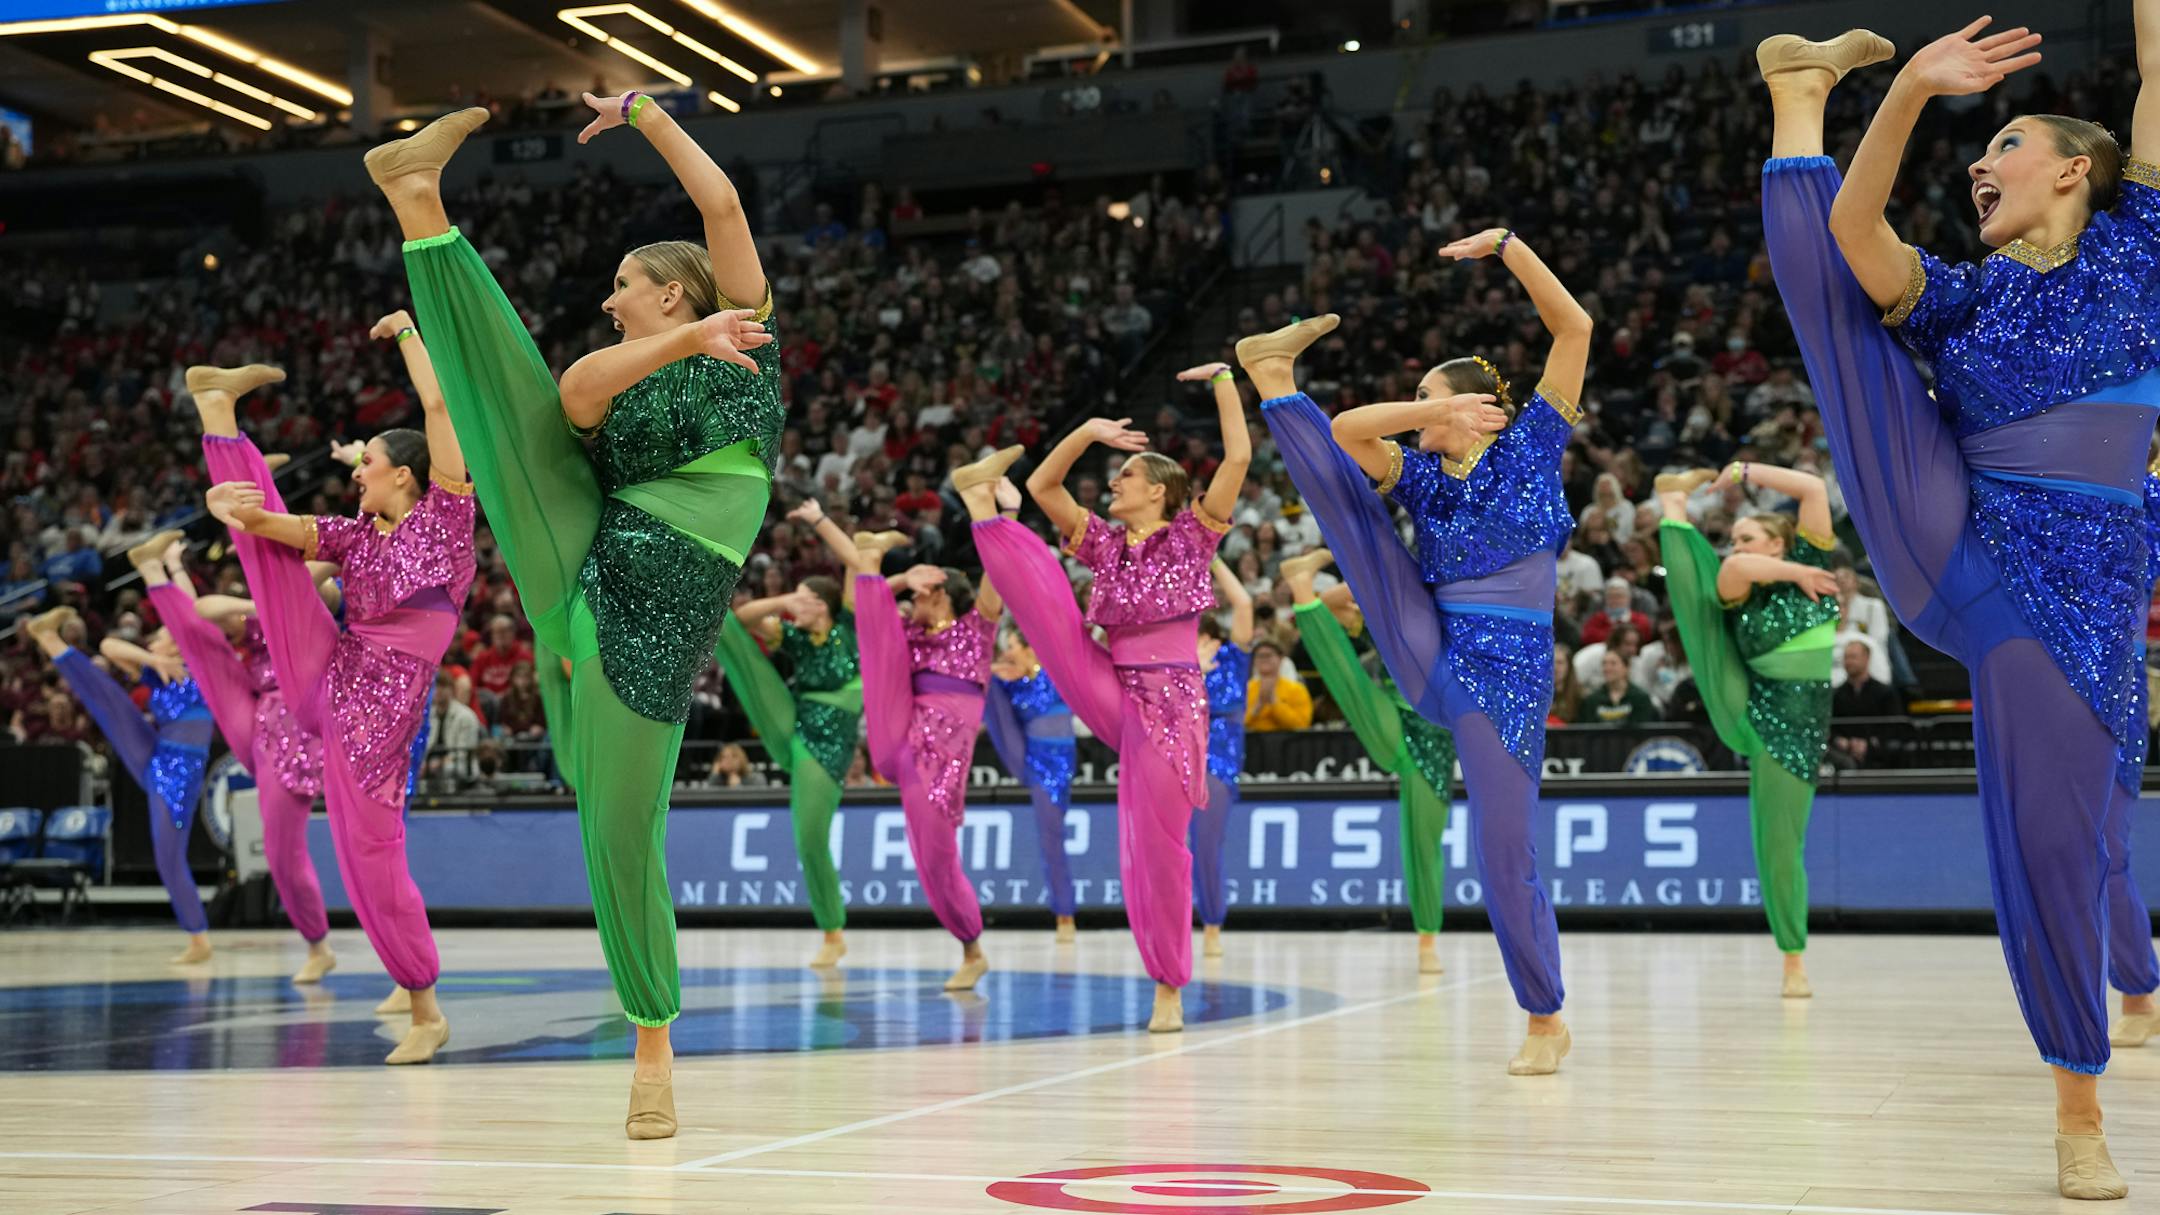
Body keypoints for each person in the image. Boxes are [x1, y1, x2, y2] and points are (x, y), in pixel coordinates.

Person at [1756, 19, 2159, 1195]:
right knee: (1842, 317)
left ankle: (2085, 1072)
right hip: (1959, 540)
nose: (1981, 163)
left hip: (2078, 601)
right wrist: (1909, 95)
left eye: (2009, 140)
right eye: (1976, 147)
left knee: (2067, 836)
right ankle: (1805, 93)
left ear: (2078, 167)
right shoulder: (1966, 296)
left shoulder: (2142, 246)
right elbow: (1854, 233)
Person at [362, 96, 779, 1135]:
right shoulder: (632, 364)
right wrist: (680, 346)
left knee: (620, 825)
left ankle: (649, 1039)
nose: (609, 298)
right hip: (591, 568)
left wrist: (644, 114)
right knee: (513, 422)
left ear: (676, 287)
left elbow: (718, 199)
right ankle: (419, 200)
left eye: (627, 284)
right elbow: (577, 391)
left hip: (656, 621)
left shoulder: (749, 329)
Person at [1249, 221, 1589, 1076]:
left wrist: (1512, 246)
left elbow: (1573, 328)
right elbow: (1354, 429)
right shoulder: (1427, 473)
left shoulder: (1532, 447)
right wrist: (1430, 411)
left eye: (1435, 399)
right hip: (1431, 640)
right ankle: (1274, 380)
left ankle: (1545, 1016)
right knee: (1356, 517)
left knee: (1502, 852)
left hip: (1505, 675)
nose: (1421, 411)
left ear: (1485, 408)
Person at [954, 357, 1251, 1032]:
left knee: (1160, 848)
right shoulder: (1106, 545)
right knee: (1052, 603)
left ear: (1160, 492)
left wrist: (1226, 383)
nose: (1113, 482)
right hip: (1110, 681)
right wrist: (1086, 430)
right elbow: (1042, 482)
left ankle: (1169, 982)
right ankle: (980, 507)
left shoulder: (1194, 536)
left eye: (1126, 476)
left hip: (1172, 705)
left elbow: (1237, 455)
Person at [195, 347, 472, 1069]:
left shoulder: (444, 520)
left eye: (368, 463)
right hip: (329, 679)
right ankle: (218, 413)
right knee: (273, 562)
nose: (357, 473)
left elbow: (439, 409)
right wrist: (230, 511)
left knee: (370, 868)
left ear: (404, 474)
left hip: (376, 728)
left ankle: (425, 1008)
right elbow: (283, 531)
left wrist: (411, 331)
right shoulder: (352, 535)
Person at [1656, 461, 1839, 998]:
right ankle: (1794, 962)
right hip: (1750, 707)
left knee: (1783, 844)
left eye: (1747, 537)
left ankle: (1672, 502)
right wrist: (1795, 576)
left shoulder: (1813, 554)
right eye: (1733, 538)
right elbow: (1731, 576)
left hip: (1803, 727)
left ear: (1779, 542)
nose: (1737, 546)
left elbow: (1809, 487)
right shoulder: (1749, 579)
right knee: (1699, 613)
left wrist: (1745, 470)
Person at [130, 532, 336, 983]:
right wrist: (184, 570)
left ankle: (318, 944)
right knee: (203, 648)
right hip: (259, 712)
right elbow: (203, 613)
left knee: (283, 853)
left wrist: (278, 595)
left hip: (297, 723)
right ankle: (156, 567)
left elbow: (329, 571)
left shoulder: (302, 596)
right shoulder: (257, 612)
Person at [1282, 549, 1456, 974]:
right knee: (1351, 683)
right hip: (1397, 721)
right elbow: (1326, 610)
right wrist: (1367, 583)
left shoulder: (1452, 623)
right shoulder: (1388, 619)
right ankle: (1301, 583)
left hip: (1436, 743)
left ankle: (1427, 939)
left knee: (1424, 844)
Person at [23, 605, 214, 964]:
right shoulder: (157, 670)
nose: (153, 641)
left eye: (158, 637)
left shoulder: (201, 664)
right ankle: (49, 637)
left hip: (180, 772)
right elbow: (110, 646)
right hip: (155, 751)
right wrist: (151, 659)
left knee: (169, 858)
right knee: (109, 700)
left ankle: (199, 938)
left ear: (176, 642)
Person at [720, 559, 860, 969]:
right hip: (794, 724)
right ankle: (832, 933)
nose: (795, 606)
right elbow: (743, 618)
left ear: (823, 603)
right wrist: (784, 599)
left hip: (828, 748)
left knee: (810, 839)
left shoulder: (848, 627)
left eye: (805, 597)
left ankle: (833, 932)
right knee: (727, 628)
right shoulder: (796, 637)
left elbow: (855, 562)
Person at [986, 622, 1081, 943]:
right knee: (1051, 838)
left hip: (1065, 764)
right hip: (1039, 766)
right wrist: (993, 675)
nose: (1007, 652)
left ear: (1029, 647)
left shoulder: (1054, 671)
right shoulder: (1009, 683)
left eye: (1012, 645)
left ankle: (1065, 911)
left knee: (1055, 834)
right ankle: (1064, 914)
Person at [1194, 559, 1253, 958]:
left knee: (1206, 844)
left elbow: (1244, 603)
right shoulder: (1181, 669)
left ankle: (1212, 921)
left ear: (1212, 637)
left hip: (1219, 763)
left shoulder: (1233, 659)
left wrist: (1212, 558)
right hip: (1181, 758)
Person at [1830, 639, 1903, 767]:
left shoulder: (1885, 692)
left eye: (1853, 657)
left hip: (1878, 751)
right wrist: (1843, 742)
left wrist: (1870, 744)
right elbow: (1831, 727)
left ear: (1867, 658)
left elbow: (1895, 726)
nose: (1849, 662)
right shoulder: (1836, 695)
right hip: (1844, 752)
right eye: (1846, 657)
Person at [1573, 650, 1659, 727]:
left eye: (1613, 663)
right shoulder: (1591, 700)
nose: (1607, 668)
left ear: (1626, 668)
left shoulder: (1640, 698)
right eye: (1604, 664)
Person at [1243, 639, 1311, 731]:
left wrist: (1275, 703)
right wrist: (1257, 706)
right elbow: (1235, 724)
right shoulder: (1245, 689)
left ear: (1281, 658)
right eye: (1260, 656)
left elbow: (1302, 724)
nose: (1264, 659)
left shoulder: (1297, 689)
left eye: (1268, 655)